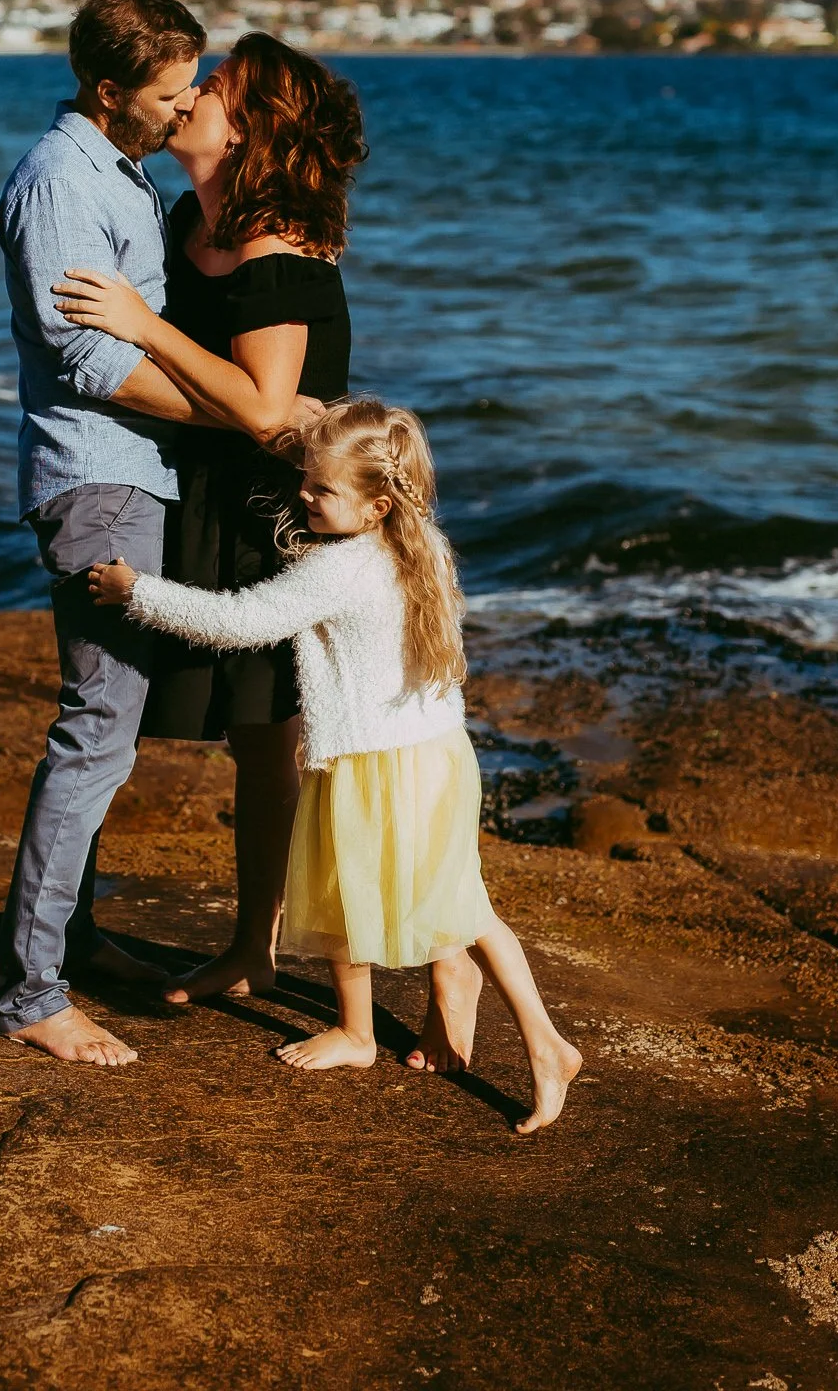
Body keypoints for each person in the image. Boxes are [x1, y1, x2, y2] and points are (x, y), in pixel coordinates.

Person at [88, 398, 583, 1134]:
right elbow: (335, 522)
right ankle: (488, 1037)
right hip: (437, 755)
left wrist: (138, 593)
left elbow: (240, 621)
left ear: (376, 502)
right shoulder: (422, 547)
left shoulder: (342, 569)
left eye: (319, 489)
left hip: (367, 763)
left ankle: (509, 1041)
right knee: (449, 902)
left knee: (357, 895)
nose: (304, 496)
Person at [53, 34, 365, 1006]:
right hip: (191, 482)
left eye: (215, 87)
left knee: (264, 730)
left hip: (267, 511)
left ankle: (251, 947)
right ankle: (71, 926)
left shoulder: (276, 249)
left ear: (253, 128)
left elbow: (271, 409)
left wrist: (143, 328)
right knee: (112, 709)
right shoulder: (189, 212)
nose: (190, 95)